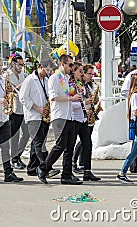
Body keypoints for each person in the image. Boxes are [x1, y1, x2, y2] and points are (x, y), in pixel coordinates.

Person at [36, 54, 83, 185]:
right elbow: (54, 97)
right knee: (60, 145)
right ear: (62, 64)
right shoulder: (55, 78)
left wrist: (76, 95)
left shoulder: (68, 78)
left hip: (69, 115)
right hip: (59, 116)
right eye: (69, 65)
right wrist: (71, 98)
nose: (71, 67)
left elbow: (70, 95)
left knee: (70, 146)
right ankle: (43, 167)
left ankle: (66, 175)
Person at [19, 60, 56, 176]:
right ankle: (45, 167)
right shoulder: (30, 80)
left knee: (37, 142)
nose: (49, 73)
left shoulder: (45, 80)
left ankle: (32, 167)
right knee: (38, 142)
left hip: (44, 115)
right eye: (47, 70)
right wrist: (38, 108)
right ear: (41, 67)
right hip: (33, 115)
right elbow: (23, 98)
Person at [69, 62, 100, 181]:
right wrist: (84, 104)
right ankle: (69, 166)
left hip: (84, 118)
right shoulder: (72, 84)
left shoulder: (85, 85)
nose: (83, 74)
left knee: (87, 144)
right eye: (81, 71)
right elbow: (71, 102)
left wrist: (92, 104)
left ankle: (87, 171)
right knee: (71, 144)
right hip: (75, 118)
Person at [6, 54, 29, 169]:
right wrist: (21, 86)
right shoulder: (6, 75)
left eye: (22, 65)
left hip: (23, 107)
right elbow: (8, 89)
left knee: (27, 133)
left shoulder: (24, 75)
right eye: (20, 64)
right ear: (13, 63)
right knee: (14, 135)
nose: (21, 67)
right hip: (13, 108)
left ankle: (17, 155)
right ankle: (14, 159)